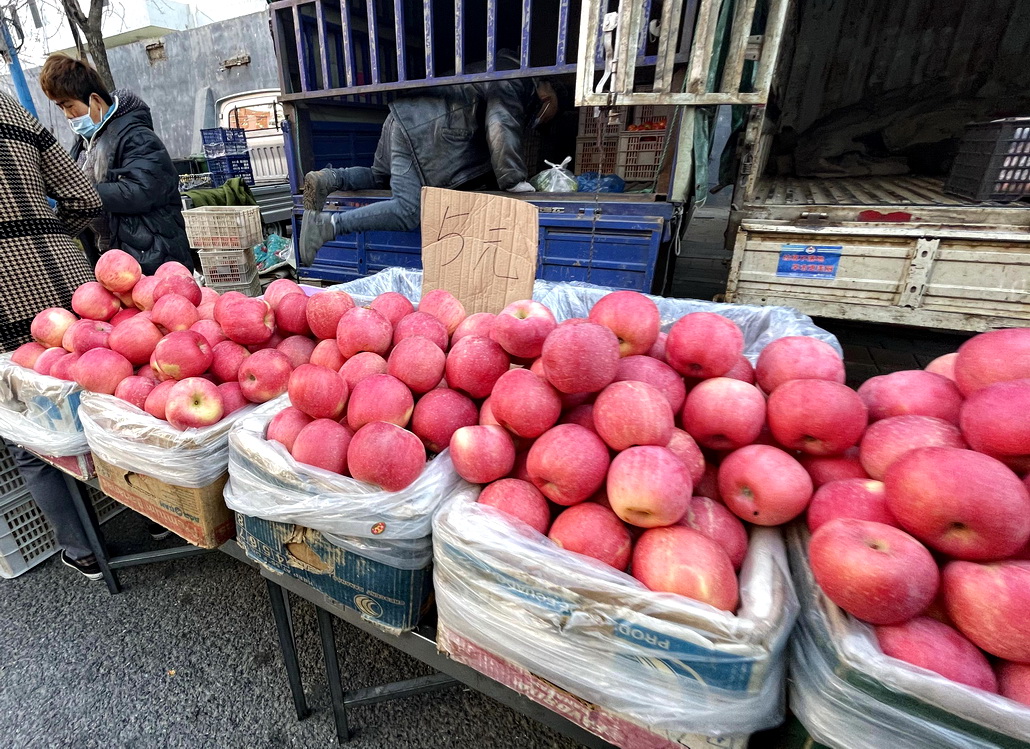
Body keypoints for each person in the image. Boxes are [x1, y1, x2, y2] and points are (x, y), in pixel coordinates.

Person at [299, 57, 558, 265]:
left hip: (403, 117)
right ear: (549, 91)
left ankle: (329, 178)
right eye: (546, 113)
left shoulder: (499, 63)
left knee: (380, 175)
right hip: (420, 129)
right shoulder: (516, 78)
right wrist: (513, 179)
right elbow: (501, 123)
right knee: (408, 210)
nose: (539, 119)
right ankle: (327, 225)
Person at [0, 91, 107, 580]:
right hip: (67, 280)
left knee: (33, 432)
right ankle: (160, 519)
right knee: (108, 399)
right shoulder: (8, 105)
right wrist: (45, 231)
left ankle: (83, 547)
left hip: (6, 298)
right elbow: (84, 197)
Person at [38, 54, 193, 274]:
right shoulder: (84, 143)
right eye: (60, 107)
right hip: (113, 262)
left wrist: (85, 194)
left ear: (95, 101)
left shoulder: (136, 136)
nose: (67, 115)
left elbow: (144, 190)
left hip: (152, 260)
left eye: (69, 105)